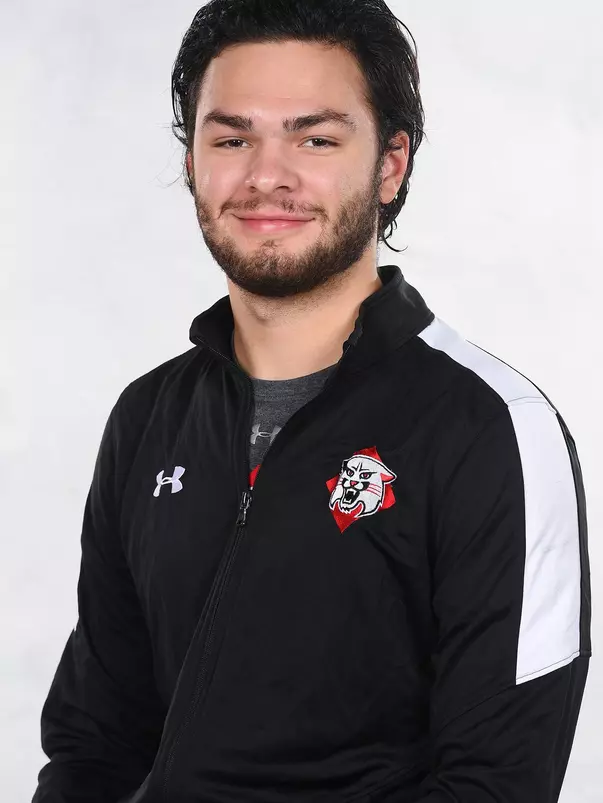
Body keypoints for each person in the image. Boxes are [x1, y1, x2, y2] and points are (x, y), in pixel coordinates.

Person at [32, 1, 591, 801]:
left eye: (315, 138)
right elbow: (94, 742)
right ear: (192, 160)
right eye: (231, 138)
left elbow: (496, 781)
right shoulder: (148, 417)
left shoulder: (493, 428)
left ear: (390, 164)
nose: (267, 175)